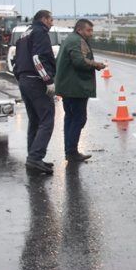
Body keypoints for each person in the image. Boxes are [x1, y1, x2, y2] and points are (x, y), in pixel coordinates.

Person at [53, 18, 106, 163]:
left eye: (92, 30)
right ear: (79, 29)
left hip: (68, 87)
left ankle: (70, 151)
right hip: (75, 88)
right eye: (89, 30)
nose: (91, 33)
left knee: (70, 119)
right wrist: (96, 65)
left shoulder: (71, 39)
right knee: (78, 119)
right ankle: (71, 152)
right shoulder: (77, 41)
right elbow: (79, 61)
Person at [13, 10, 57, 174]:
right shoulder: (40, 32)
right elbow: (37, 58)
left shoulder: (25, 33)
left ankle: (33, 157)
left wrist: (20, 77)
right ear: (44, 19)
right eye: (51, 20)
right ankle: (35, 158)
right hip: (36, 80)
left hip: (25, 80)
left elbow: (16, 60)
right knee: (47, 120)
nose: (52, 23)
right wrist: (48, 81)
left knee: (35, 121)